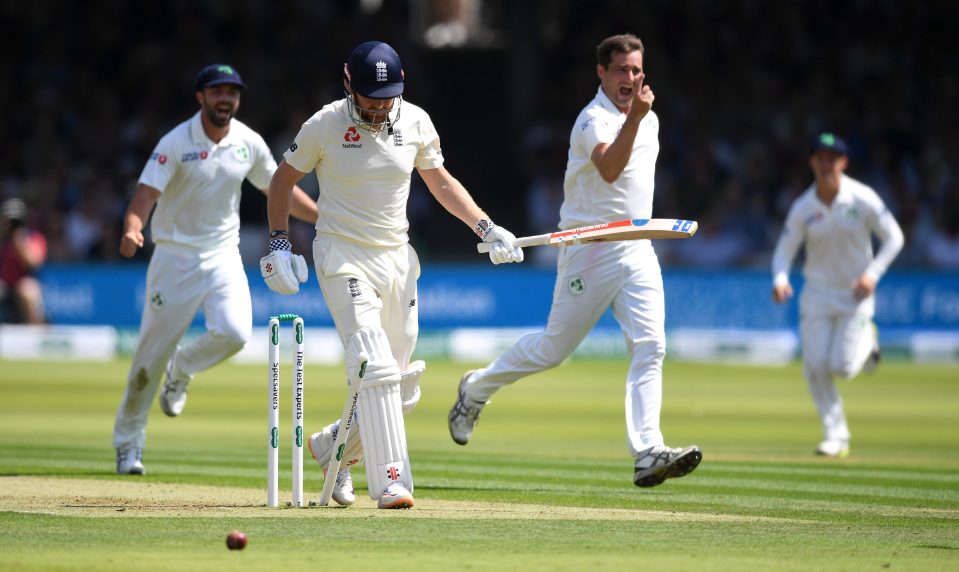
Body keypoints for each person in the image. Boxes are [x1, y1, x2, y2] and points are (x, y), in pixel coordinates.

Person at [261, 40, 524, 509]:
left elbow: (440, 182)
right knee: (375, 366)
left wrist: (485, 226)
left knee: (400, 389)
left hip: (398, 259)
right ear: (348, 84)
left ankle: (332, 451)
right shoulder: (324, 124)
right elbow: (282, 181)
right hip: (342, 254)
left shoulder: (416, 120)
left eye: (388, 97)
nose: (380, 107)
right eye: (370, 97)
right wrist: (280, 241)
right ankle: (392, 483)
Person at [447, 34, 702, 489]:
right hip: (589, 253)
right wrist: (637, 118)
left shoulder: (650, 119)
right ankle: (476, 388)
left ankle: (647, 451)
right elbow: (609, 169)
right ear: (602, 73)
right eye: (622, 70)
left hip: (637, 248)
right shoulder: (592, 121)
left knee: (651, 346)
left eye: (637, 70)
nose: (631, 78)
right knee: (552, 350)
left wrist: (641, 118)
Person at [113, 64, 318, 475]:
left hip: (223, 254)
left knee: (236, 333)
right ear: (200, 97)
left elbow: (278, 189)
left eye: (232, 92)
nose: (226, 99)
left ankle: (183, 367)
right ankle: (128, 442)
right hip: (174, 258)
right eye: (217, 91)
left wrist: (324, 218)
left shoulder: (248, 142)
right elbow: (144, 196)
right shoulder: (175, 143)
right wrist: (133, 229)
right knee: (147, 362)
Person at [772, 132, 904, 458]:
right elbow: (784, 251)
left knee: (842, 367)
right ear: (812, 162)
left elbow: (895, 238)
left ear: (843, 162)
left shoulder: (862, 198)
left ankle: (868, 341)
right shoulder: (804, 206)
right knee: (815, 366)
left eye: (833, 157)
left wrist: (873, 274)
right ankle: (835, 435)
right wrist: (780, 278)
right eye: (821, 157)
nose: (826, 163)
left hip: (854, 294)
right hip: (816, 293)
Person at [0, 198, 47, 324]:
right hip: (4, 286)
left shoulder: (36, 238)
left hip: (24, 286)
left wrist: (17, 237)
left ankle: (36, 336)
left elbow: (33, 263)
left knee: (28, 291)